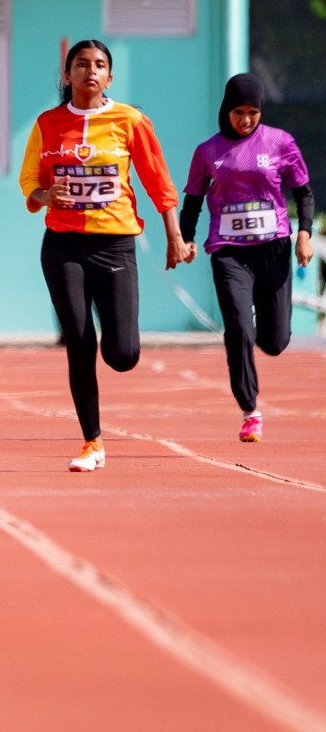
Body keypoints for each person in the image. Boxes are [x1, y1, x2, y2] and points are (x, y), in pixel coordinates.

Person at [19, 39, 189, 472]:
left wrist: (175, 236)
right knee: (78, 341)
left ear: (109, 77)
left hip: (114, 244)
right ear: (68, 74)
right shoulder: (47, 123)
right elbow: (30, 187)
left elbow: (159, 182)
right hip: (63, 244)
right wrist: (45, 195)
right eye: (80, 64)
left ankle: (119, 343)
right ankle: (92, 442)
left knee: (122, 355)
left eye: (98, 65)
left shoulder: (129, 120)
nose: (89, 71)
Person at [179, 74, 314, 442]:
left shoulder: (280, 142)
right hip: (228, 251)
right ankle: (250, 410)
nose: (245, 120)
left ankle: (259, 333)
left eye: (253, 112)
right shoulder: (208, 152)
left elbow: (303, 193)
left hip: (273, 248)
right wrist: (185, 240)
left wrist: (304, 234)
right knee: (238, 325)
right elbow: (192, 201)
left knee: (273, 343)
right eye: (238, 112)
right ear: (226, 110)